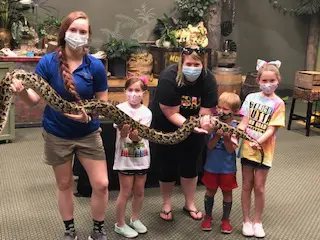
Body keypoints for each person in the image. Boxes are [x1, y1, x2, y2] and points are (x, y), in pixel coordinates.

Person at [10, 11, 109, 240]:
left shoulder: (95, 66)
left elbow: (102, 106)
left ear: (88, 36)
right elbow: (34, 100)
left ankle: (98, 229)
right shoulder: (48, 62)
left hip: (87, 132)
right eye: (73, 30)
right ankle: (70, 229)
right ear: (65, 33)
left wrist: (89, 117)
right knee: (64, 184)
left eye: (82, 32)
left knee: (102, 184)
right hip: (57, 133)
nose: (77, 35)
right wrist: (22, 91)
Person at [150, 47, 218, 221]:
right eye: (189, 64)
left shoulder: (208, 79)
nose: (193, 68)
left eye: (197, 64)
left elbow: (206, 111)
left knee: (191, 164)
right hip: (166, 124)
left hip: (194, 125)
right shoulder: (168, 77)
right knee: (168, 164)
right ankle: (166, 204)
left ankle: (189, 203)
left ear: (203, 64)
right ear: (181, 63)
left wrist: (203, 123)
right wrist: (190, 125)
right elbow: (170, 112)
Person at [237, 59, 285, 238]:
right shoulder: (250, 98)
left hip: (265, 151)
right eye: (264, 81)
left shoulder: (279, 103)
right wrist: (237, 134)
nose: (268, 84)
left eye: (272, 81)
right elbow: (244, 122)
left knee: (259, 187)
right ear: (258, 81)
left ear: (278, 80)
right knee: (246, 185)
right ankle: (246, 220)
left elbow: (273, 128)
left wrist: (259, 141)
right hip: (248, 149)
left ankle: (257, 221)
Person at [113, 76, 152, 238]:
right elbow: (122, 134)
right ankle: (120, 224)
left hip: (142, 159)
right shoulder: (119, 109)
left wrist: (134, 135)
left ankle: (135, 219)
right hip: (125, 159)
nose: (133, 94)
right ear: (125, 91)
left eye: (137, 91)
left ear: (144, 93)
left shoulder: (146, 113)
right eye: (130, 90)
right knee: (125, 192)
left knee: (139, 191)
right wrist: (125, 132)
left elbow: (139, 138)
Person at [200, 92, 241, 234]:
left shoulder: (236, 128)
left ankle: (225, 220)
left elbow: (231, 150)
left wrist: (227, 138)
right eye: (219, 108)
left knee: (227, 193)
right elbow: (210, 146)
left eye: (226, 109)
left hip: (227, 168)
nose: (221, 111)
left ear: (235, 112)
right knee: (210, 191)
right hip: (211, 166)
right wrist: (217, 135)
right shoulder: (212, 125)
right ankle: (207, 216)